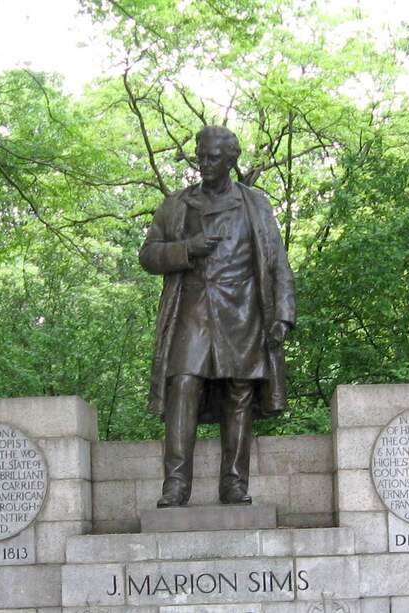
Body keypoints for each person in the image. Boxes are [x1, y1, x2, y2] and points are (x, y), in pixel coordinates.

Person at [139, 125, 296, 507]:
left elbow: (277, 263)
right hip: (191, 311)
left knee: (239, 394)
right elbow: (148, 255)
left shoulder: (254, 204)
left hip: (242, 313)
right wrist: (185, 249)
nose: (204, 163)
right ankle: (175, 485)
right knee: (183, 386)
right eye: (200, 155)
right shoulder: (176, 204)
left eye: (212, 157)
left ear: (230, 160)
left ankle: (234, 485)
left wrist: (284, 315)